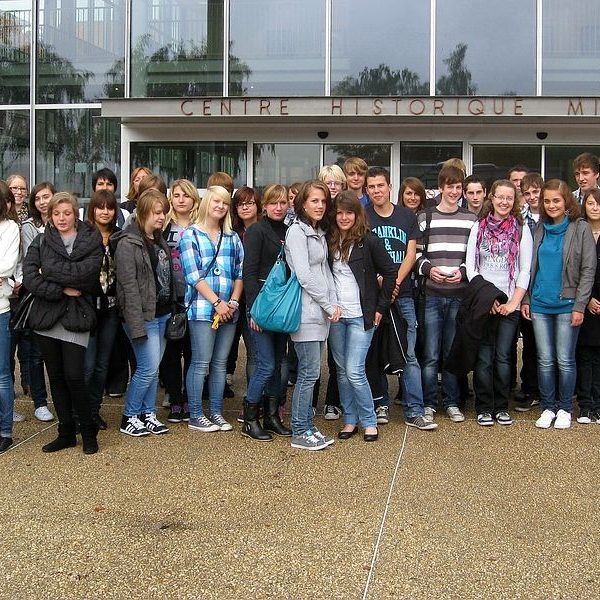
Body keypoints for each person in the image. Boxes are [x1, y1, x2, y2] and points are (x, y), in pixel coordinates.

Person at [23, 192, 103, 454]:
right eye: (56, 213)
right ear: (50, 215)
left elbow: (87, 275)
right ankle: (66, 432)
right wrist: (62, 289)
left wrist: (52, 273)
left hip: (76, 316)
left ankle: (88, 431)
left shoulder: (90, 239)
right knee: (55, 377)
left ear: (75, 213)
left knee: (74, 376)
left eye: (66, 213)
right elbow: (31, 278)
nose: (61, 218)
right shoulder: (41, 240)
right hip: (46, 317)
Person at [366, 167, 437, 430]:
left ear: (389, 186)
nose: (376, 191)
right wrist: (381, 282)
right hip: (373, 297)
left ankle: (415, 410)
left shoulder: (407, 216)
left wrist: (393, 282)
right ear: (367, 190)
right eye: (371, 187)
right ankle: (380, 403)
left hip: (403, 294)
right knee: (374, 352)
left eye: (380, 185)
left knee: (408, 354)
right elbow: (362, 255)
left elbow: (411, 254)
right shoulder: (363, 216)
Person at [521, 179, 596, 429]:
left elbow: (588, 269)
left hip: (567, 304)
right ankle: (547, 407)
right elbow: (531, 267)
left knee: (565, 359)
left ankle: (564, 408)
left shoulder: (580, 228)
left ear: (566, 202)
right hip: (541, 303)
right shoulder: (539, 227)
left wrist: (580, 305)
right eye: (547, 200)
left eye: (556, 200)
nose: (551, 205)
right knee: (544, 359)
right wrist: (528, 298)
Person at [328, 191, 396, 441]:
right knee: (342, 371)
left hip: (361, 316)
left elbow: (390, 273)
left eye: (349, 212)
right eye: (340, 212)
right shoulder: (329, 240)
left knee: (355, 370)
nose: (344, 217)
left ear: (357, 215)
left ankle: (369, 420)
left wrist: (380, 308)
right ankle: (349, 419)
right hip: (336, 317)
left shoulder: (368, 241)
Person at [465, 180, 533, 426]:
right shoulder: (478, 227)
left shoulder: (521, 229)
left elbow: (524, 269)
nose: (504, 202)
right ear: (491, 198)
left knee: (504, 357)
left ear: (514, 202)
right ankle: (483, 407)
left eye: (509, 198)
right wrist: (488, 297)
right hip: (485, 302)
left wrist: (514, 302)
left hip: (510, 304)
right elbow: (471, 268)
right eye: (500, 197)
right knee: (483, 357)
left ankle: (501, 406)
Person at [416, 165, 478, 423]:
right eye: (449, 186)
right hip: (432, 293)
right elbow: (417, 254)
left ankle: (452, 402)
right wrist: (429, 270)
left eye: (458, 187)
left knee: (452, 351)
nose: (454, 191)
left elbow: (473, 257)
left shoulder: (470, 219)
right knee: (430, 354)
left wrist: (463, 272)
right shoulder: (424, 217)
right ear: (440, 187)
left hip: (458, 295)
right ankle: (429, 402)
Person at [180, 185, 243, 433]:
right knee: (201, 362)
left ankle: (216, 412)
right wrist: (217, 302)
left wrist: (233, 302)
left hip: (229, 310)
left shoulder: (232, 237)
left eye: (225, 203)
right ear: (207, 202)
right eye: (216, 201)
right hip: (202, 310)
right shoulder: (191, 235)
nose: (221, 206)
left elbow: (240, 273)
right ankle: (195, 414)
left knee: (220, 363)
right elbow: (193, 276)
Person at [113, 189, 174, 437]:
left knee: (154, 368)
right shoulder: (128, 243)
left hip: (161, 314)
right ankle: (129, 416)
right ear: (145, 212)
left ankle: (147, 414)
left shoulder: (157, 239)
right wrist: (136, 325)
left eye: (164, 213)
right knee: (147, 368)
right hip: (142, 316)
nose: (161, 217)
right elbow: (128, 287)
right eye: (157, 213)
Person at [285, 180, 340, 451]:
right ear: (303, 204)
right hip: (306, 313)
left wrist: (333, 301)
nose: (320, 206)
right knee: (308, 374)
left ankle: (308, 426)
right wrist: (329, 305)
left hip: (320, 313)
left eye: (323, 201)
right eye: (314, 201)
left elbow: (324, 272)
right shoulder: (297, 232)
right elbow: (304, 276)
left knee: (312, 373)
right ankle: (299, 430)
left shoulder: (316, 231)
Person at [242, 184, 292, 441]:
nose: (278, 207)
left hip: (281, 306)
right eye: (273, 203)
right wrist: (253, 311)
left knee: (279, 363)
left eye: (283, 202)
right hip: (261, 305)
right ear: (265, 205)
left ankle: (272, 416)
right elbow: (248, 272)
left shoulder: (288, 231)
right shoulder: (256, 231)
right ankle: (250, 418)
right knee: (266, 364)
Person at [13, 182, 56, 422]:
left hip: (61, 297)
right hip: (35, 295)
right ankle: (40, 401)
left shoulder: (68, 223)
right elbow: (34, 260)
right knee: (35, 353)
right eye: (38, 198)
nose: (42, 202)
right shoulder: (29, 227)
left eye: (46, 196)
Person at [160, 179, 200, 423]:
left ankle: (190, 397)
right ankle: (175, 399)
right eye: (176, 195)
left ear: (194, 199)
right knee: (171, 353)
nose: (181, 199)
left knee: (193, 352)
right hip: (170, 297)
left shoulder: (201, 225)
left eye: (186, 195)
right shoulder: (163, 225)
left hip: (196, 296)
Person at [84, 189, 121, 430]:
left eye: (109, 207)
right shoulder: (84, 235)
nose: (105, 212)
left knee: (102, 365)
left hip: (111, 310)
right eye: (100, 207)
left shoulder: (120, 236)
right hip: (87, 309)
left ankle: (94, 411)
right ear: (93, 210)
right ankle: (81, 412)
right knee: (86, 366)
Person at [226, 185, 261, 396]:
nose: (245, 207)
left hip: (254, 300)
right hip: (228, 299)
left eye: (250, 203)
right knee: (221, 354)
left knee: (255, 354)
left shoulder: (266, 229)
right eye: (240, 203)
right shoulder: (230, 233)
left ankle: (252, 400)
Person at [515, 172, 544, 412]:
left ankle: (547, 392)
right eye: (528, 193)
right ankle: (530, 388)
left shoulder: (555, 216)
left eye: (536, 192)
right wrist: (523, 296)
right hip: (525, 289)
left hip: (548, 289)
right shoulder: (519, 220)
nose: (533, 197)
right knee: (531, 345)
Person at [0, 182, 22, 453]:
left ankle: (5, 431)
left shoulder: (10, 228)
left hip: (1, 309)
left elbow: (6, 265)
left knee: (3, 375)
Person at [576, 188, 600, 423]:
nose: (594, 207)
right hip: (584, 301)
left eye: (598, 204)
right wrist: (587, 298)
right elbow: (578, 269)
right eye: (590, 203)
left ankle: (598, 404)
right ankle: (585, 404)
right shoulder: (580, 230)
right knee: (585, 356)